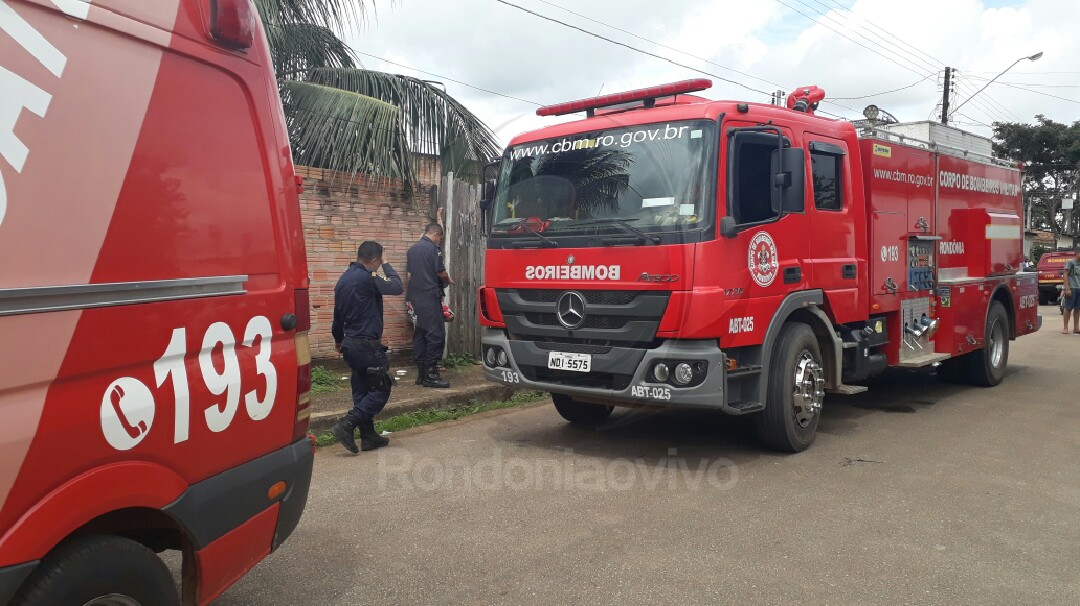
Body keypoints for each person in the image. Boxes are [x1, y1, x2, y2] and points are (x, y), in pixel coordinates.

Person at [330, 241, 403, 453]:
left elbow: (337, 316)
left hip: (349, 345)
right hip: (367, 347)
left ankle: (368, 436)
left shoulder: (343, 279)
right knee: (381, 387)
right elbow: (397, 287)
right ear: (374, 260)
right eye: (379, 262)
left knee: (362, 388)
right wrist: (387, 264)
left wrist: (337, 339)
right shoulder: (367, 278)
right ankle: (347, 424)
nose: (380, 265)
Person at [407, 224, 453, 388]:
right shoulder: (433, 249)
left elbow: (409, 275)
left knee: (420, 334)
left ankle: (421, 375)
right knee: (436, 336)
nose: (439, 240)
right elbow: (441, 273)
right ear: (436, 234)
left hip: (415, 298)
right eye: (440, 237)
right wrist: (448, 280)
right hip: (429, 297)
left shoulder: (412, 250)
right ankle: (431, 375)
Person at [1063, 250, 1080, 334]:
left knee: (1078, 309)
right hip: (1072, 287)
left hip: (1079, 288)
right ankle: (1065, 327)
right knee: (1068, 308)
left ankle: (1076, 328)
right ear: (1077, 253)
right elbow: (1065, 274)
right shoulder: (1070, 262)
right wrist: (1067, 288)